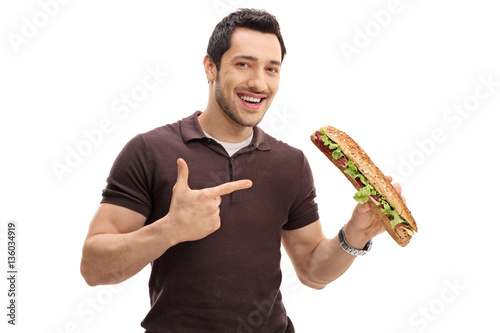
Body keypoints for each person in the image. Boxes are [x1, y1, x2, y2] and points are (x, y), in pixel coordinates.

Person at [80, 8, 402, 332]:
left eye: (271, 69)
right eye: (243, 64)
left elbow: (311, 272)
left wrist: (355, 235)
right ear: (211, 67)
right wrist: (170, 229)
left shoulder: (290, 164)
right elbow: (94, 267)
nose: (259, 83)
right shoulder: (150, 151)